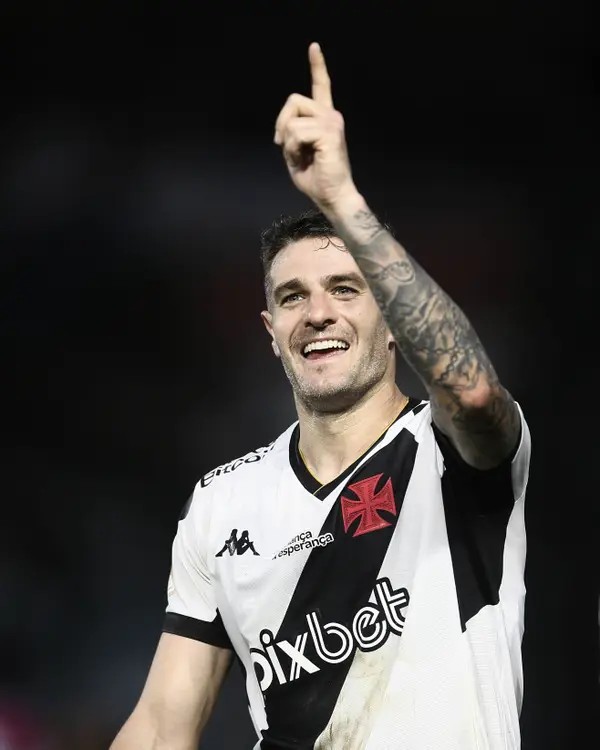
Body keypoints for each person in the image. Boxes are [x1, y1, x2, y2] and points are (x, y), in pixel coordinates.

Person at [109, 41, 531, 750]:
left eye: (345, 289)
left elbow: (474, 391)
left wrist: (340, 198)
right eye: (292, 297)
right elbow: (160, 726)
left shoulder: (448, 456)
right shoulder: (222, 503)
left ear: (393, 320)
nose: (318, 314)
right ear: (271, 333)